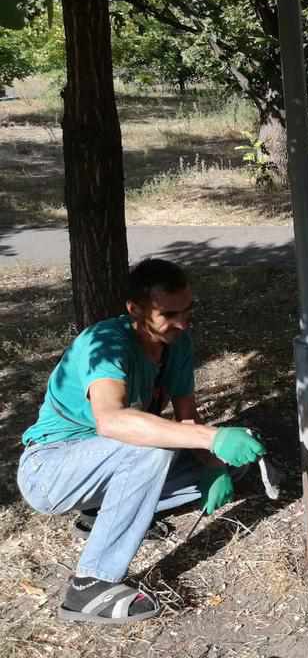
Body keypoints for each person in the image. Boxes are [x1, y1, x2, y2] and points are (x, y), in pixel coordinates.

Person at [17, 259, 266, 625]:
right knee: (151, 446)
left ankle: (99, 514)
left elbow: (186, 418)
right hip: (50, 471)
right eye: (169, 313)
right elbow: (112, 421)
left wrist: (213, 464)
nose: (182, 322)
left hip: (103, 464)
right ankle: (90, 585)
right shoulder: (104, 343)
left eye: (188, 311)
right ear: (135, 310)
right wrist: (213, 437)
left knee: (232, 462)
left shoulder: (176, 342)